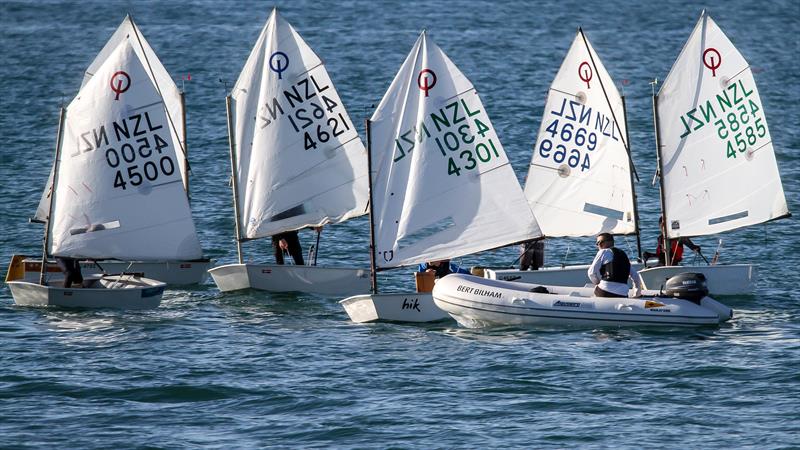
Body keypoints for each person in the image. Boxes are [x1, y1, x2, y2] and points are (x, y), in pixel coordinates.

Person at [588, 233, 642, 298]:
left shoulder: (603, 251)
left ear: (609, 242)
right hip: (622, 294)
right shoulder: (623, 254)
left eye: (599, 242)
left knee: (596, 289)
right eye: (597, 243)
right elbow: (636, 276)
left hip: (604, 292)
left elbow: (591, 272)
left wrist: (598, 283)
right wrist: (637, 294)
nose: (598, 245)